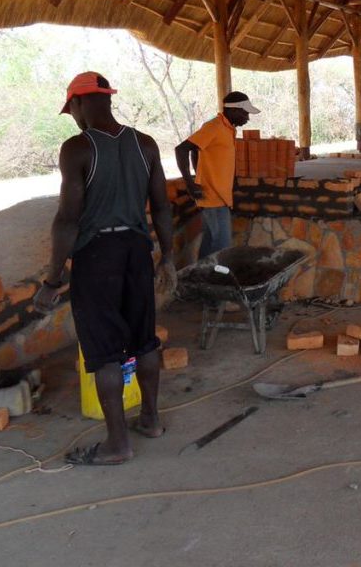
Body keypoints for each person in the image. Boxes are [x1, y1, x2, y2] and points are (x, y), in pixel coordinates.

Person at [34, 72, 176, 465]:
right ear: (107, 99)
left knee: (104, 352)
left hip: (97, 256)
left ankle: (117, 443)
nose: (73, 117)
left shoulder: (78, 148)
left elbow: (67, 220)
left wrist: (52, 278)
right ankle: (150, 419)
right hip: (137, 250)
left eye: (72, 110)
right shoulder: (144, 144)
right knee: (144, 338)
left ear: (79, 103)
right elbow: (162, 207)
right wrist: (169, 257)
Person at [175, 91, 260, 258]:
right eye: (245, 113)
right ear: (234, 110)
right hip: (213, 197)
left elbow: (197, 149)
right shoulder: (214, 127)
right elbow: (182, 149)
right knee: (222, 246)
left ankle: (199, 277)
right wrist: (191, 183)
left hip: (220, 196)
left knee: (210, 242)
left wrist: (197, 172)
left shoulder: (227, 129)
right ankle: (216, 281)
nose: (247, 118)